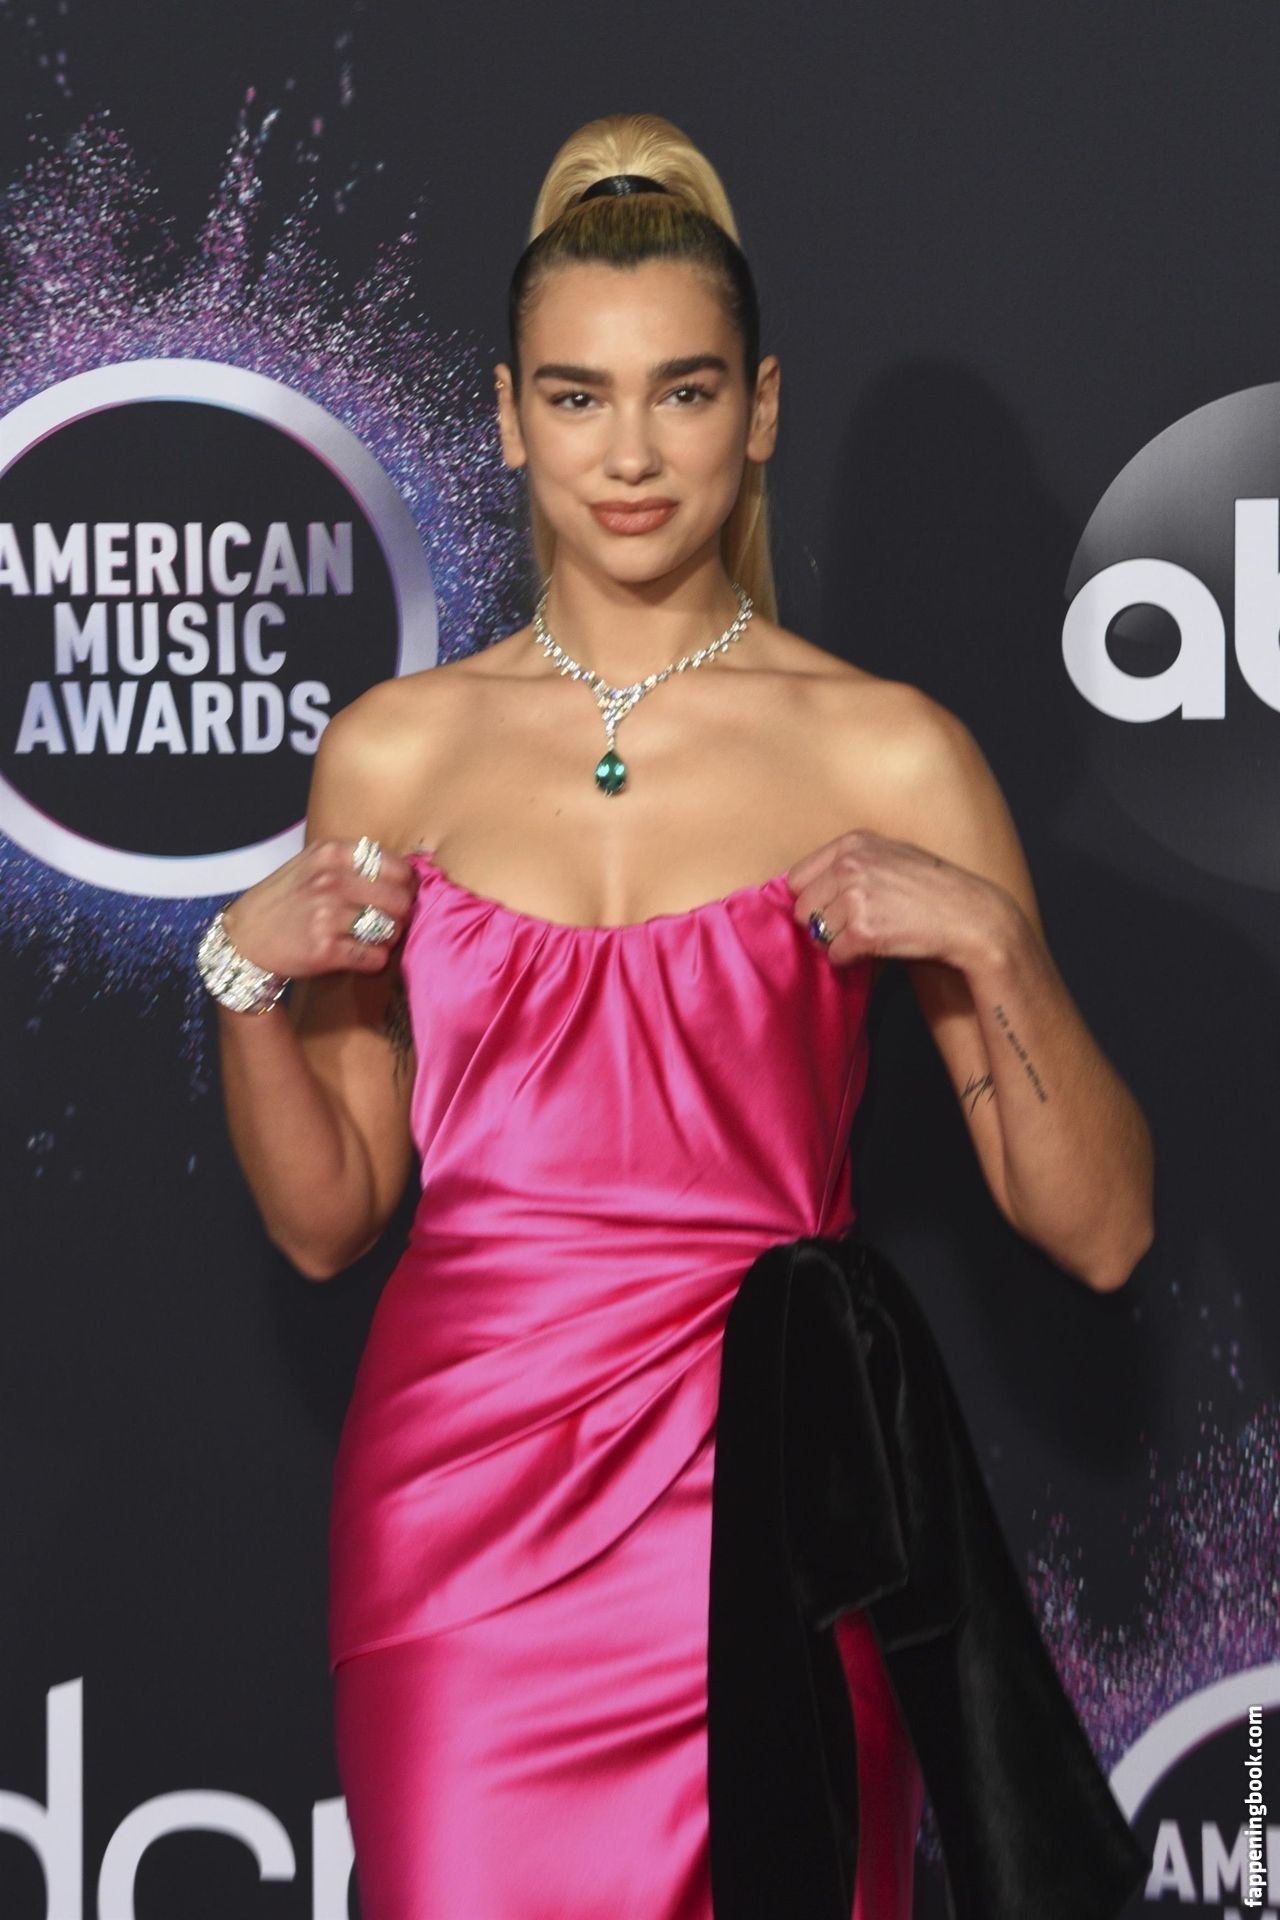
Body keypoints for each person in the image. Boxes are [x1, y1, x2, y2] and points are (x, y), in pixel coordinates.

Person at [197, 111, 1155, 1920]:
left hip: (780, 1512)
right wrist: (244, 980)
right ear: (508, 417)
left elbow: (1099, 1234)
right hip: (460, 1527)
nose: (629, 455)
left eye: (684, 393)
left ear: (761, 408)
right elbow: (332, 1219)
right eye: (577, 398)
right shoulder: (395, 753)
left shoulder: (887, 751)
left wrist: (995, 947)